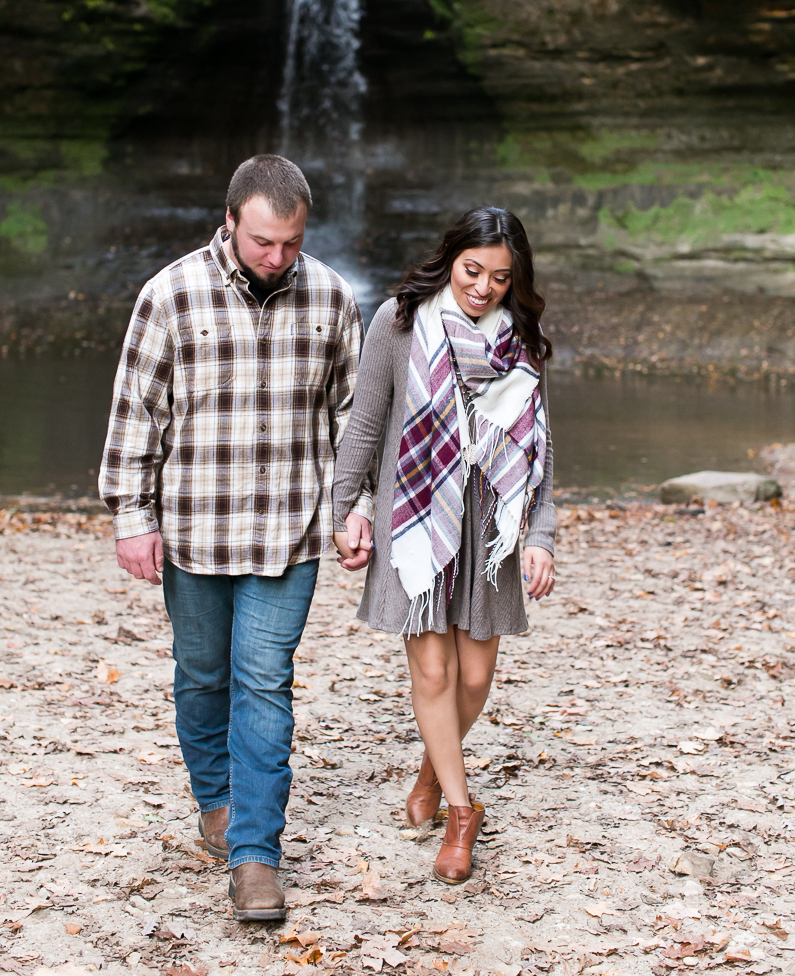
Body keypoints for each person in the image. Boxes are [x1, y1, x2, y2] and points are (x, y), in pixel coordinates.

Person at [99, 154, 373, 921]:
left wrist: (359, 506)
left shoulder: (330, 295)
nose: (277, 257)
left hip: (291, 532)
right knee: (201, 677)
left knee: (263, 684)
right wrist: (132, 518)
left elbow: (353, 419)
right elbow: (135, 416)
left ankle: (256, 856)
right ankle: (215, 796)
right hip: (194, 530)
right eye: (262, 242)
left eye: (290, 242)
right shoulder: (170, 294)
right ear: (229, 221)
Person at [332, 206, 556, 885]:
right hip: (416, 516)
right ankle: (462, 814)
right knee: (434, 676)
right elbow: (366, 424)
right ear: (449, 258)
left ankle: (434, 766)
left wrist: (541, 535)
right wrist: (345, 508)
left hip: (489, 525)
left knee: (477, 677)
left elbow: (544, 445)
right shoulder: (397, 325)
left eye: (499, 277)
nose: (483, 288)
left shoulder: (523, 340)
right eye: (472, 270)